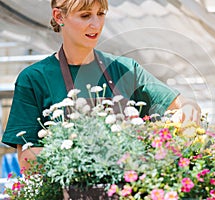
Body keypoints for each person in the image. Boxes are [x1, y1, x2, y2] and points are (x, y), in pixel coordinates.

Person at [1, 0, 201, 169]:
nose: (96, 24)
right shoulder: (34, 78)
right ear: (59, 17)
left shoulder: (125, 69)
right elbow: (28, 160)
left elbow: (185, 104)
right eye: (85, 15)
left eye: (101, 13)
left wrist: (189, 111)